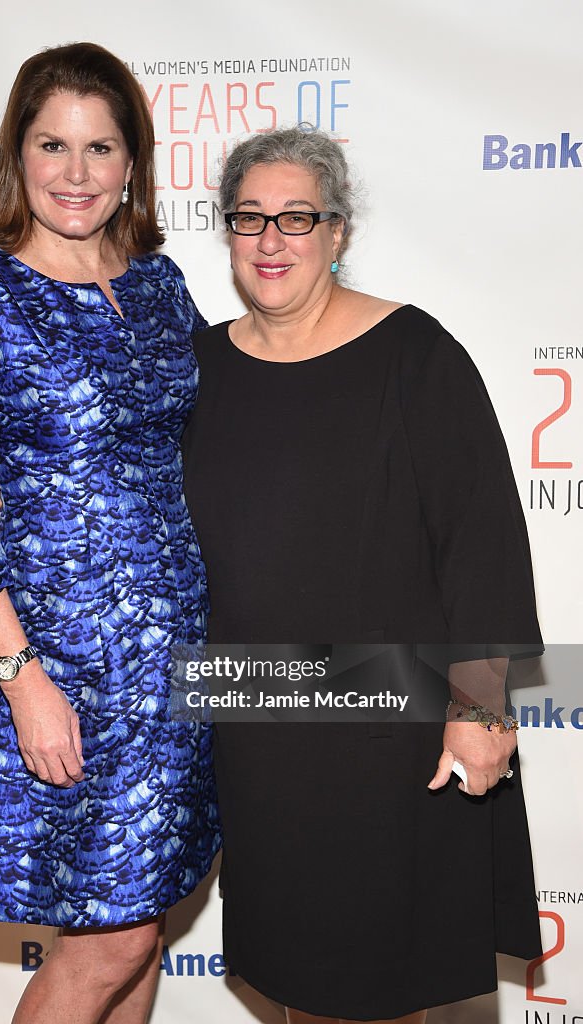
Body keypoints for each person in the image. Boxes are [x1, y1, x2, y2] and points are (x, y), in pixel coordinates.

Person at [183, 126, 543, 1024]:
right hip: (262, 741)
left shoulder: (413, 355)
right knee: (304, 988)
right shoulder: (200, 370)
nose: (271, 239)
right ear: (226, 231)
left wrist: (481, 707)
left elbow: (482, 544)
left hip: (392, 742)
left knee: (379, 990)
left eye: (296, 217)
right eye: (249, 217)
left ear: (337, 231)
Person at [0, 42, 219, 1024]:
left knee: (144, 921)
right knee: (110, 936)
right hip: (64, 668)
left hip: (176, 659)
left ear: (133, 163)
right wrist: (21, 680)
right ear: (18, 155)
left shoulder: (163, 289)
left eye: (100, 147)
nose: (76, 173)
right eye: (53, 145)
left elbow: (212, 449)